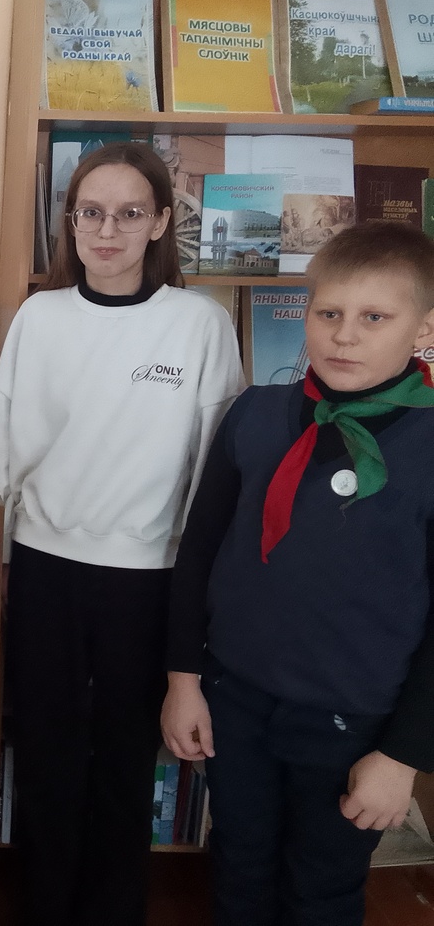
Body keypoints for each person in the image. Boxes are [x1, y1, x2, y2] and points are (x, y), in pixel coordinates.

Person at [0, 141, 243, 926]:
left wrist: (193, 579)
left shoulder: (199, 324)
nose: (107, 230)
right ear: (70, 220)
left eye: (129, 213)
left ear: (160, 221)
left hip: (150, 577)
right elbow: (8, 448)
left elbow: (214, 467)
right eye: (91, 212)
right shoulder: (40, 316)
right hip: (45, 566)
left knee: (127, 759)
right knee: (47, 752)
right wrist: (8, 556)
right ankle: (43, 905)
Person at [162, 220, 434, 926]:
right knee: (240, 862)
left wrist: (403, 756)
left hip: (355, 720)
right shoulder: (255, 414)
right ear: (305, 314)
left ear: (424, 328)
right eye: (329, 313)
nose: (345, 336)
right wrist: (184, 680)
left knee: (322, 887)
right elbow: (200, 551)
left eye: (375, 318)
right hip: (236, 698)